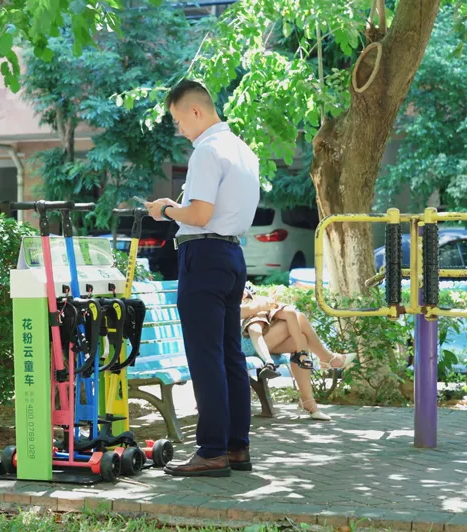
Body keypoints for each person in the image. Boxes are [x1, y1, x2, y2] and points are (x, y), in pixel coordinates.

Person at [145, 79, 260, 477]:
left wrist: (165, 209)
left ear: (195, 111)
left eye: (178, 121)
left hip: (205, 255)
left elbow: (198, 215)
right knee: (231, 356)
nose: (180, 130)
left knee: (205, 357)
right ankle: (236, 447)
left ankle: (211, 450)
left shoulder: (208, 151)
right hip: (231, 255)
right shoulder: (243, 150)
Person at [240, 283, 356, 421]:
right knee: (298, 318)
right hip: (244, 342)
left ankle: (309, 402)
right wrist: (262, 305)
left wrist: (267, 303)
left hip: (261, 339)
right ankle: (328, 358)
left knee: (301, 339)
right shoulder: (219, 287)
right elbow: (237, 311)